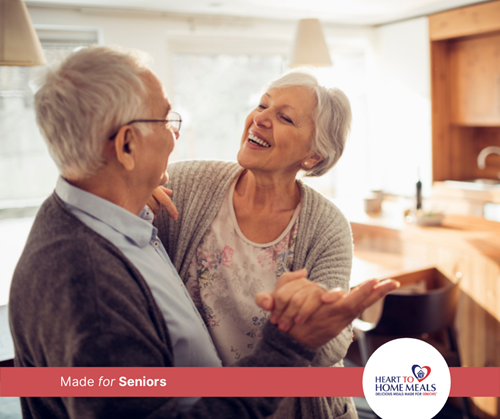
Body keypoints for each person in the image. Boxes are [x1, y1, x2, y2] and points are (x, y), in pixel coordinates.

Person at [9, 45, 398, 419]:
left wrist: (132, 193)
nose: (175, 134)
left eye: (285, 117)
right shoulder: (94, 277)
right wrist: (288, 342)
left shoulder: (117, 220)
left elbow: (328, 339)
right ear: (127, 147)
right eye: (165, 120)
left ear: (313, 155)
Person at [151, 69, 359, 418]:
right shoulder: (186, 184)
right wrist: (132, 198)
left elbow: (332, 349)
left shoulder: (327, 226)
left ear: (312, 156)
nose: (260, 118)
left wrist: (310, 320)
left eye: (285, 117)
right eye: (263, 105)